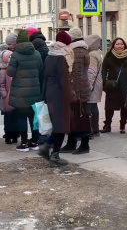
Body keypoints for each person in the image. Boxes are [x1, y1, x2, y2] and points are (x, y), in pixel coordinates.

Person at [38, 31, 74, 166]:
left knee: (57, 124)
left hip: (50, 93)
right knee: (61, 125)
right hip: (60, 95)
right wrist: (71, 96)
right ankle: (54, 154)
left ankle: (47, 148)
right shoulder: (61, 57)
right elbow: (63, 80)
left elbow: (45, 77)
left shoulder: (50, 55)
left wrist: (44, 95)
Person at [7, 30, 43, 152]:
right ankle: (34, 141)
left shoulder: (16, 55)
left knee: (21, 118)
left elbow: (10, 72)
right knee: (33, 118)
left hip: (20, 92)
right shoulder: (37, 54)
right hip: (34, 91)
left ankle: (23, 143)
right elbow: (40, 69)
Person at [60, 28, 91, 155]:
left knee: (80, 118)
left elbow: (76, 74)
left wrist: (74, 92)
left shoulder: (76, 51)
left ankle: (84, 145)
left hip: (78, 90)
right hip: (79, 88)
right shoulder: (80, 49)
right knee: (74, 118)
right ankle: (71, 143)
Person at [101, 38, 127, 134]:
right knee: (109, 106)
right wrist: (104, 83)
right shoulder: (109, 56)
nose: (120, 46)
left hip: (125, 84)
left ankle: (122, 125)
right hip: (112, 85)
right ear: (113, 46)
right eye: (117, 44)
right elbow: (104, 70)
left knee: (125, 106)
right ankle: (107, 125)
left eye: (121, 44)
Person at [0, 50, 17, 144]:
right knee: (8, 118)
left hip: (16, 96)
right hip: (7, 98)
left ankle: (15, 136)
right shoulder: (3, 70)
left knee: (15, 117)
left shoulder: (15, 68)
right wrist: (5, 95)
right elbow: (1, 84)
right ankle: (8, 136)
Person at [85, 34, 103, 136]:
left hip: (93, 84)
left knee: (90, 107)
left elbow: (91, 72)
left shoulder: (92, 55)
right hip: (98, 83)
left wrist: (89, 85)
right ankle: (95, 130)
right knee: (94, 106)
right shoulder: (97, 52)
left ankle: (92, 130)